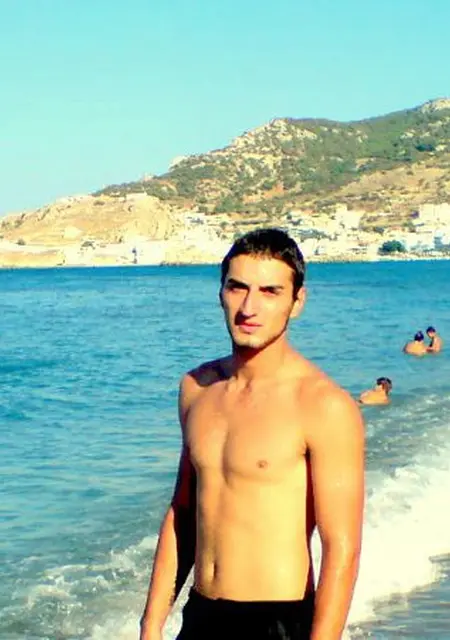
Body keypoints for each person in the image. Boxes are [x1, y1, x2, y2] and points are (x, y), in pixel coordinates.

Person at [140, 228, 365, 640]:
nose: (249, 307)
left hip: (276, 621)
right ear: (221, 293)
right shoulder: (197, 388)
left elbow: (342, 550)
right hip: (200, 615)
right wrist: (151, 624)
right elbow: (183, 514)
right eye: (237, 287)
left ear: (297, 302)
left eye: (270, 292)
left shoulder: (323, 405)